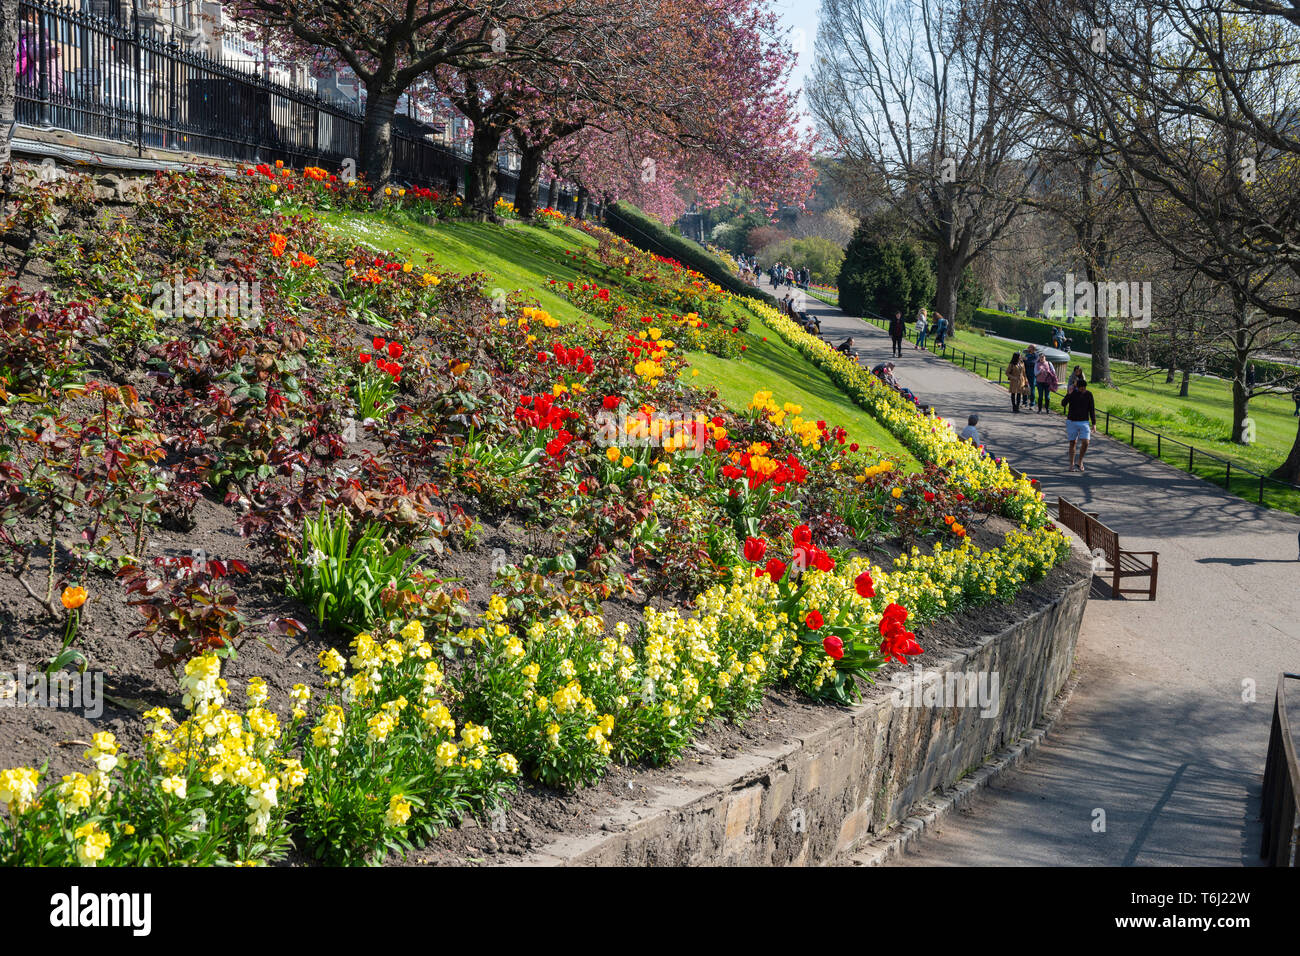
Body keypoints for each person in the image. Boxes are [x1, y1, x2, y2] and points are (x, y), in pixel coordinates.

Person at [1062, 377, 1097, 472]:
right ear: (1077, 387)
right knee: (1073, 442)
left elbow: (1092, 409)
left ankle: (1080, 461)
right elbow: (1063, 404)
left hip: (1084, 421)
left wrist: (1094, 423)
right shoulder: (1072, 393)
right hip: (1072, 421)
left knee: (1086, 442)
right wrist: (1068, 394)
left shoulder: (1089, 394)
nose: (1083, 389)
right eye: (1081, 387)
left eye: (1084, 387)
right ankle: (1071, 464)